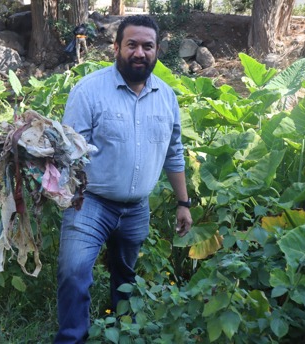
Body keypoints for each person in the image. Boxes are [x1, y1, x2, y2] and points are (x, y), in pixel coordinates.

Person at [55, 15, 193, 343]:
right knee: (73, 272)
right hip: (89, 203)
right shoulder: (89, 91)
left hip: (136, 209)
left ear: (158, 50)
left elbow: (174, 152)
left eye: (147, 46)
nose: (139, 52)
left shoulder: (166, 97)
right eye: (132, 44)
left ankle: (122, 332)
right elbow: (68, 150)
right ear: (116, 48)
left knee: (125, 276)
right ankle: (73, 338)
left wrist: (183, 202)